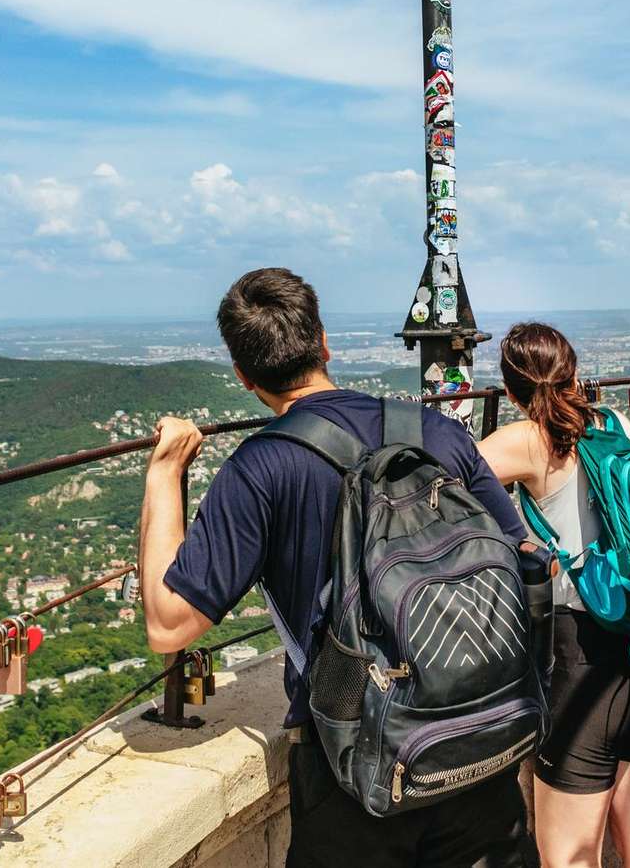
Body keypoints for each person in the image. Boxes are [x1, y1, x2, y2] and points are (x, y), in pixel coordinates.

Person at [137, 267, 535, 868]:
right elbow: (520, 557)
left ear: (245, 377)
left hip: (355, 768)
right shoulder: (437, 433)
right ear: (324, 343)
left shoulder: (261, 467)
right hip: (479, 746)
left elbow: (169, 625)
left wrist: (166, 471)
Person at [477, 322, 630, 868]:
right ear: (572, 370)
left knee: (570, 859)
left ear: (512, 387)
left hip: (584, 659)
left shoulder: (527, 439)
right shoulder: (613, 422)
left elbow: (443, 483)